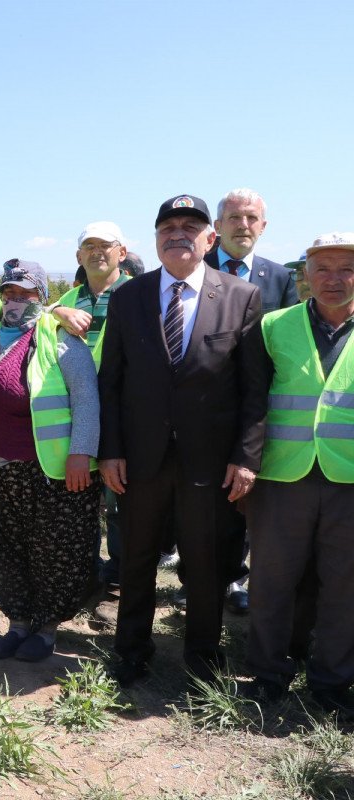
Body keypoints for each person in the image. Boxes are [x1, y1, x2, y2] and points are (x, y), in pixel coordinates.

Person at [98, 195, 268, 686]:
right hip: (140, 459)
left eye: (190, 226)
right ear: (154, 241)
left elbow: (253, 389)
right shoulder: (129, 297)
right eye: (167, 226)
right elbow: (112, 380)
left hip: (209, 461)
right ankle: (131, 650)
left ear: (210, 238)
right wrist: (111, 449)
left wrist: (245, 455)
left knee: (206, 561)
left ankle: (201, 655)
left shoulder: (239, 296)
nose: (178, 234)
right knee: (136, 558)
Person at [0, 259, 101, 661]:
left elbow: (86, 401)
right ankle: (18, 623)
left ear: (42, 297)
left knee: (52, 553)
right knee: (5, 553)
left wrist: (81, 452)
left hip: (48, 474)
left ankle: (46, 629)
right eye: (9, 292)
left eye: (26, 293)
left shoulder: (59, 340)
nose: (15, 300)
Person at [244, 233, 354, 719]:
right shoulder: (273, 326)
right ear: (304, 275)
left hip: (349, 482)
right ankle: (267, 676)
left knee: (345, 587)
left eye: (346, 269)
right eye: (323, 268)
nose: (334, 279)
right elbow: (249, 399)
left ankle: (331, 683)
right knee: (271, 581)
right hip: (282, 477)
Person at [204, 188, 300, 614]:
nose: (243, 225)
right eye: (233, 217)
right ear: (218, 226)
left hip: (257, 407)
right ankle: (197, 578)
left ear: (263, 227)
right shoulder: (194, 267)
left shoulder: (280, 279)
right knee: (200, 498)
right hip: (202, 404)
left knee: (245, 494)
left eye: (251, 218)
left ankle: (237, 580)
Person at [51, 222, 131, 592]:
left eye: (106, 245)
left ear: (122, 253)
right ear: (78, 256)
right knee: (81, 497)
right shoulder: (68, 301)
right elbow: (35, 322)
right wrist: (55, 310)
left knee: (119, 498)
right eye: (89, 246)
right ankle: (86, 570)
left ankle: (118, 576)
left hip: (123, 412)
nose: (98, 252)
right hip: (77, 413)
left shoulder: (138, 294)